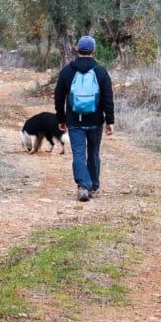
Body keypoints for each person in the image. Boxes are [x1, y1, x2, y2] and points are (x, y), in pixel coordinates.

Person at [54, 35, 114, 202]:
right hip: (95, 121)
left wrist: (61, 118)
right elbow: (107, 99)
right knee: (93, 153)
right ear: (94, 50)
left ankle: (83, 186)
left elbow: (59, 97)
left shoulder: (67, 71)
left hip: (74, 121)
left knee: (79, 154)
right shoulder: (100, 71)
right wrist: (110, 121)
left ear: (76, 49)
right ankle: (93, 186)